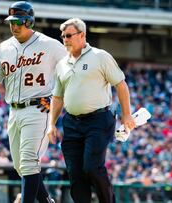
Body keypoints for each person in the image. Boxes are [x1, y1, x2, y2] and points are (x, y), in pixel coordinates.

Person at [0, 1, 66, 202]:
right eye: (11, 22)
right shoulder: (4, 47)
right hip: (14, 111)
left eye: (19, 21)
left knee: (29, 162)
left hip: (39, 109)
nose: (14, 26)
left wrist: (55, 97)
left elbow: (70, 72)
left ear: (29, 22)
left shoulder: (50, 45)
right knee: (21, 166)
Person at [46, 18, 136, 203]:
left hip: (98, 120)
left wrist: (126, 114)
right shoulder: (62, 64)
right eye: (63, 36)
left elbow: (120, 84)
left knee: (92, 167)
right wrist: (51, 124)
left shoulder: (100, 56)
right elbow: (57, 97)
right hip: (71, 123)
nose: (65, 39)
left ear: (82, 35)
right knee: (75, 175)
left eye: (69, 35)